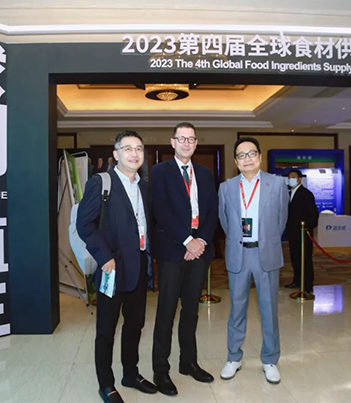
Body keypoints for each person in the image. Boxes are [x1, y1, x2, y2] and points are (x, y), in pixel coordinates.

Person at [77, 131, 157, 403]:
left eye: (139, 149)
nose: (134, 154)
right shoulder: (101, 182)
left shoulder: (145, 187)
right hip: (111, 268)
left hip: (139, 265)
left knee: (135, 324)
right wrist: (104, 257)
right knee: (107, 328)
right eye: (127, 148)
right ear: (116, 154)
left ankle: (131, 374)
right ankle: (106, 384)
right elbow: (84, 225)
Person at [151, 122, 218, 396]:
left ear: (196, 143)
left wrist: (200, 241)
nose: (186, 143)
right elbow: (160, 210)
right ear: (173, 142)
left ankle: (188, 362)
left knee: (191, 310)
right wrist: (186, 240)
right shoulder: (160, 171)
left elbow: (212, 211)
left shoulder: (205, 173)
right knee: (166, 312)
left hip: (199, 250)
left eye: (191, 139)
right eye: (182, 139)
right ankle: (160, 370)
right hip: (172, 250)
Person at [218, 137, 288, 384]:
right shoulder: (226, 187)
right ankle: (233, 357)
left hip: (265, 253)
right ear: (235, 161)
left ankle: (270, 360)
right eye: (241, 155)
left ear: (259, 156)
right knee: (237, 308)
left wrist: (265, 240)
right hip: (238, 254)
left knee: (268, 309)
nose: (247, 159)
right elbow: (225, 222)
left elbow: (281, 220)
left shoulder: (277, 184)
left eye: (251, 153)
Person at [284, 169, 319, 293]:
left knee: (305, 259)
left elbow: (313, 214)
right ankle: (297, 281)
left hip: (303, 233)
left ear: (299, 179)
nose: (291, 180)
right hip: (293, 232)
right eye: (289, 177)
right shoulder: (289, 193)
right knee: (295, 258)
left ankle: (307, 284)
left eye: (293, 177)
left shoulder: (306, 194)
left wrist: (307, 227)